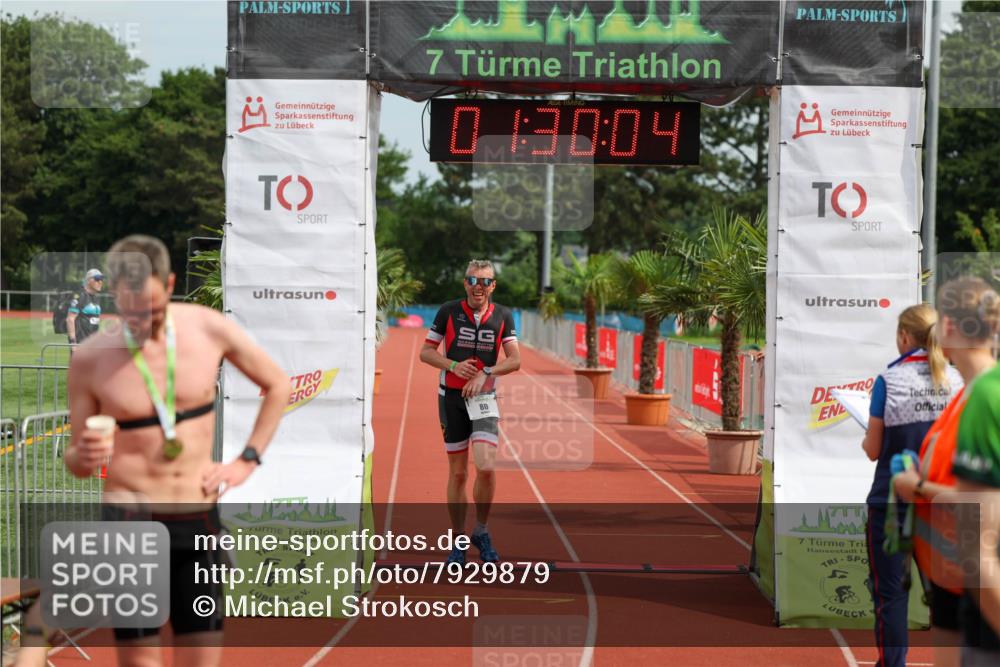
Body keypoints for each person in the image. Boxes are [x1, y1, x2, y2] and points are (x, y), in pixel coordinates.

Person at [55, 235, 290, 667]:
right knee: (140, 661)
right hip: (129, 523)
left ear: (169, 284)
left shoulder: (207, 328)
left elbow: (278, 384)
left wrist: (247, 460)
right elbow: (75, 461)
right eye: (131, 311)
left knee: (200, 659)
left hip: (195, 521)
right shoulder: (90, 359)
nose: (142, 320)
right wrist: (83, 457)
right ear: (113, 294)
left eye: (152, 309)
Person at [891, 278, 998, 667]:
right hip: (955, 578)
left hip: (978, 580)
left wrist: (915, 486)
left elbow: (981, 507)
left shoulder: (985, 396)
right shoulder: (966, 394)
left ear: (950, 327)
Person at [861, 304, 963, 667]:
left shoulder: (889, 381)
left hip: (893, 502)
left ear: (904, 337)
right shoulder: (959, 382)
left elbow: (873, 450)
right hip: (946, 504)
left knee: (891, 596)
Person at [419, 260, 520, 565]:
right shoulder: (449, 311)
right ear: (465, 284)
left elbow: (515, 360)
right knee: (459, 473)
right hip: (451, 398)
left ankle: (482, 530)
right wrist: (452, 365)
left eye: (485, 281)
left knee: (486, 466)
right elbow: (426, 352)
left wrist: (486, 371)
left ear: (493, 286)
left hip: (484, 397)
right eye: (472, 280)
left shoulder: (502, 315)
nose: (478, 286)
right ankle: (459, 539)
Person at [66, 268, 104, 345]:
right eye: (97, 279)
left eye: (101, 279)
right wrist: (73, 342)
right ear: (89, 281)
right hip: (81, 344)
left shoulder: (96, 298)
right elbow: (70, 319)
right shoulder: (79, 296)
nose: (100, 282)